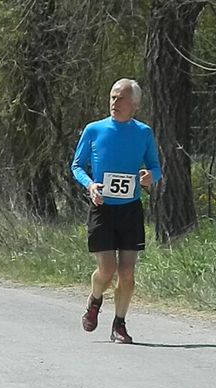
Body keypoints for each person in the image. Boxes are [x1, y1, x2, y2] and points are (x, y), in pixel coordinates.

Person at [71, 78, 162, 344]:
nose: (115, 103)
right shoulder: (94, 130)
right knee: (107, 270)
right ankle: (95, 299)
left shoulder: (143, 132)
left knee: (127, 272)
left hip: (130, 209)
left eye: (121, 98)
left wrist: (149, 177)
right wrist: (90, 186)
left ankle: (119, 325)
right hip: (102, 208)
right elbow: (77, 166)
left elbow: (155, 167)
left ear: (134, 104)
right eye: (112, 97)